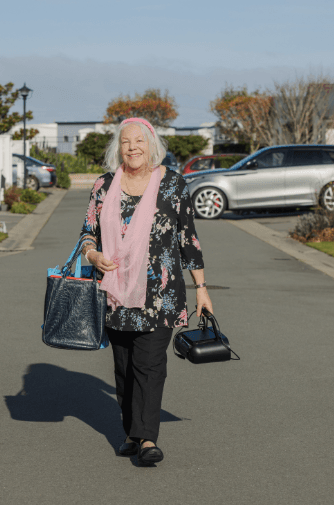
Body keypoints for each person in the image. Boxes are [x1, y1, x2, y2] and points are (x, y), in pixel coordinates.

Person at [78, 117, 211, 466]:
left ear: (151, 145)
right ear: (117, 148)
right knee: (124, 369)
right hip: (115, 294)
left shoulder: (173, 185)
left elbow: (188, 241)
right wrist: (92, 254)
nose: (133, 147)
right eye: (126, 142)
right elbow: (87, 232)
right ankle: (131, 434)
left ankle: (148, 439)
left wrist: (202, 288)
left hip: (160, 295)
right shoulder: (104, 186)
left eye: (139, 141)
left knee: (149, 365)